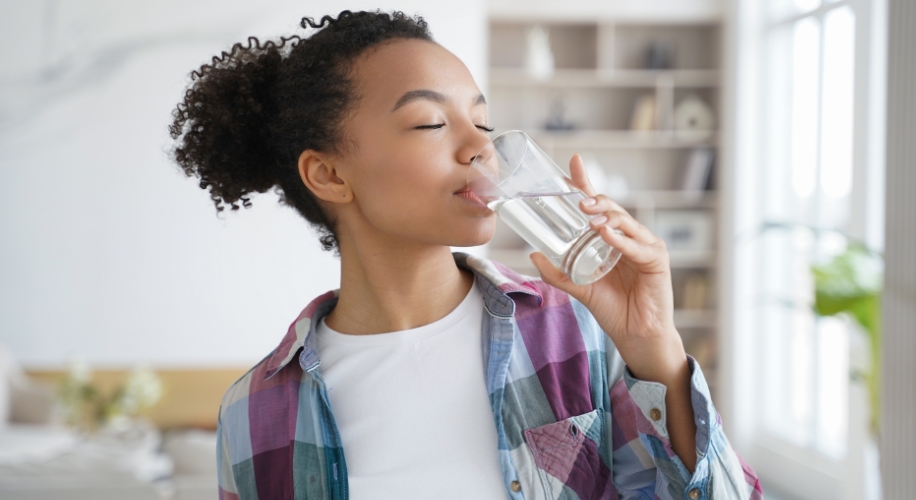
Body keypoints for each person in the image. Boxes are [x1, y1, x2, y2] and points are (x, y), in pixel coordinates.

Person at [169, 10, 762, 500]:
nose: (482, 145)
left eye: (482, 120)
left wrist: (655, 346)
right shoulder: (254, 413)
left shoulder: (572, 335)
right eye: (430, 123)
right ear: (328, 174)